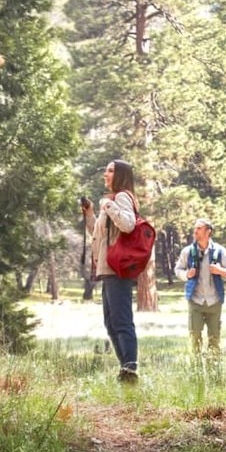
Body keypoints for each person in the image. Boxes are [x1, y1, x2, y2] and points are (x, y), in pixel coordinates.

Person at [85, 159, 142, 384]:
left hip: (118, 268)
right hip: (108, 269)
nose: (105, 175)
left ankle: (130, 369)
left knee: (121, 320)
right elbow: (97, 234)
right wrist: (90, 213)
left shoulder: (122, 198)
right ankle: (125, 369)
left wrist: (108, 205)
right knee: (111, 321)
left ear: (120, 175)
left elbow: (127, 224)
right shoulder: (112, 201)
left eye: (110, 171)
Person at [174, 218, 226, 356]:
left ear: (208, 231)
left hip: (214, 301)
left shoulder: (220, 251)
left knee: (214, 337)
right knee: (194, 335)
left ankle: (214, 367)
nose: (195, 231)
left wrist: (220, 271)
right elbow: (178, 270)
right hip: (196, 301)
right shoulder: (188, 251)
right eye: (195, 228)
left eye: (199, 228)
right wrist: (186, 275)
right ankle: (196, 369)